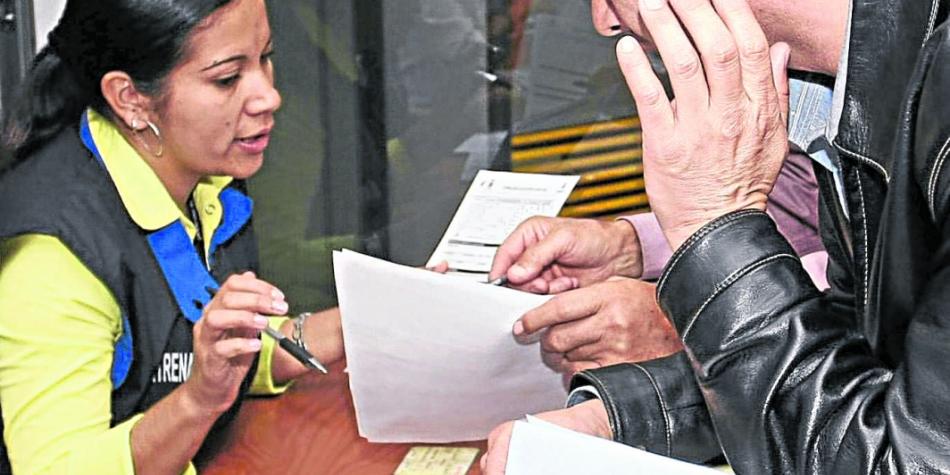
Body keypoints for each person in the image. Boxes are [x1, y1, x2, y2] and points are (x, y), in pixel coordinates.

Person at [483, 0, 950, 472]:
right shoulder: (845, 87)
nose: (604, 21)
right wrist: (626, 418)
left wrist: (712, 221)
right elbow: (869, 351)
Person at [0, 1, 344, 473]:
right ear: (130, 99)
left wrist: (372, 318)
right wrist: (198, 400)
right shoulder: (53, 255)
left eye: (265, 57)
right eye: (227, 79)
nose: (269, 96)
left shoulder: (206, 181)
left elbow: (208, 352)